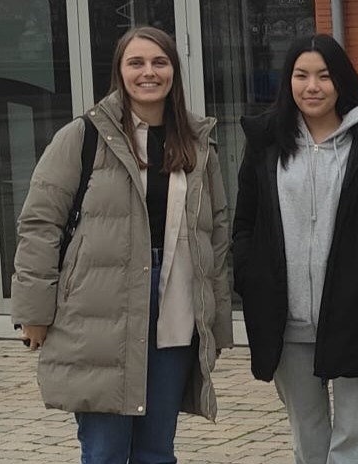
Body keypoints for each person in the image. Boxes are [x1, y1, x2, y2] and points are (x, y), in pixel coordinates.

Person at [13, 26, 232, 464]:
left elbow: (217, 233)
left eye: (159, 62)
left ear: (174, 71)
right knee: (106, 451)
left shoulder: (197, 142)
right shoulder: (83, 135)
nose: (148, 72)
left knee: (156, 450)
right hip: (99, 313)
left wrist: (216, 320)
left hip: (174, 308)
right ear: (119, 72)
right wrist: (33, 313)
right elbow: (40, 225)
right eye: (136, 63)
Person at [232, 34, 358, 464]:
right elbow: (244, 224)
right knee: (309, 443)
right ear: (288, 81)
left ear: (341, 81)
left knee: (354, 444)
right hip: (287, 324)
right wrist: (251, 274)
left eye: (324, 75)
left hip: (355, 316)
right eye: (301, 75)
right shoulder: (265, 142)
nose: (311, 86)